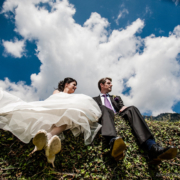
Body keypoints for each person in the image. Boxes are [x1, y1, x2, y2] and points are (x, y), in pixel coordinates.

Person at [0, 77, 102, 167]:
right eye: (74, 85)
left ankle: (48, 141)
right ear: (67, 84)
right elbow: (53, 101)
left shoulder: (73, 99)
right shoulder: (58, 92)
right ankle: (47, 145)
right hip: (54, 111)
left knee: (68, 119)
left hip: (64, 115)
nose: (75, 87)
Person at [93, 77, 177, 163]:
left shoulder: (116, 97)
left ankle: (152, 146)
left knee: (132, 108)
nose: (111, 84)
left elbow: (121, 107)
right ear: (102, 85)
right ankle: (113, 142)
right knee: (103, 108)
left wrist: (123, 107)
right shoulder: (94, 100)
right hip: (105, 116)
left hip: (118, 115)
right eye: (108, 83)